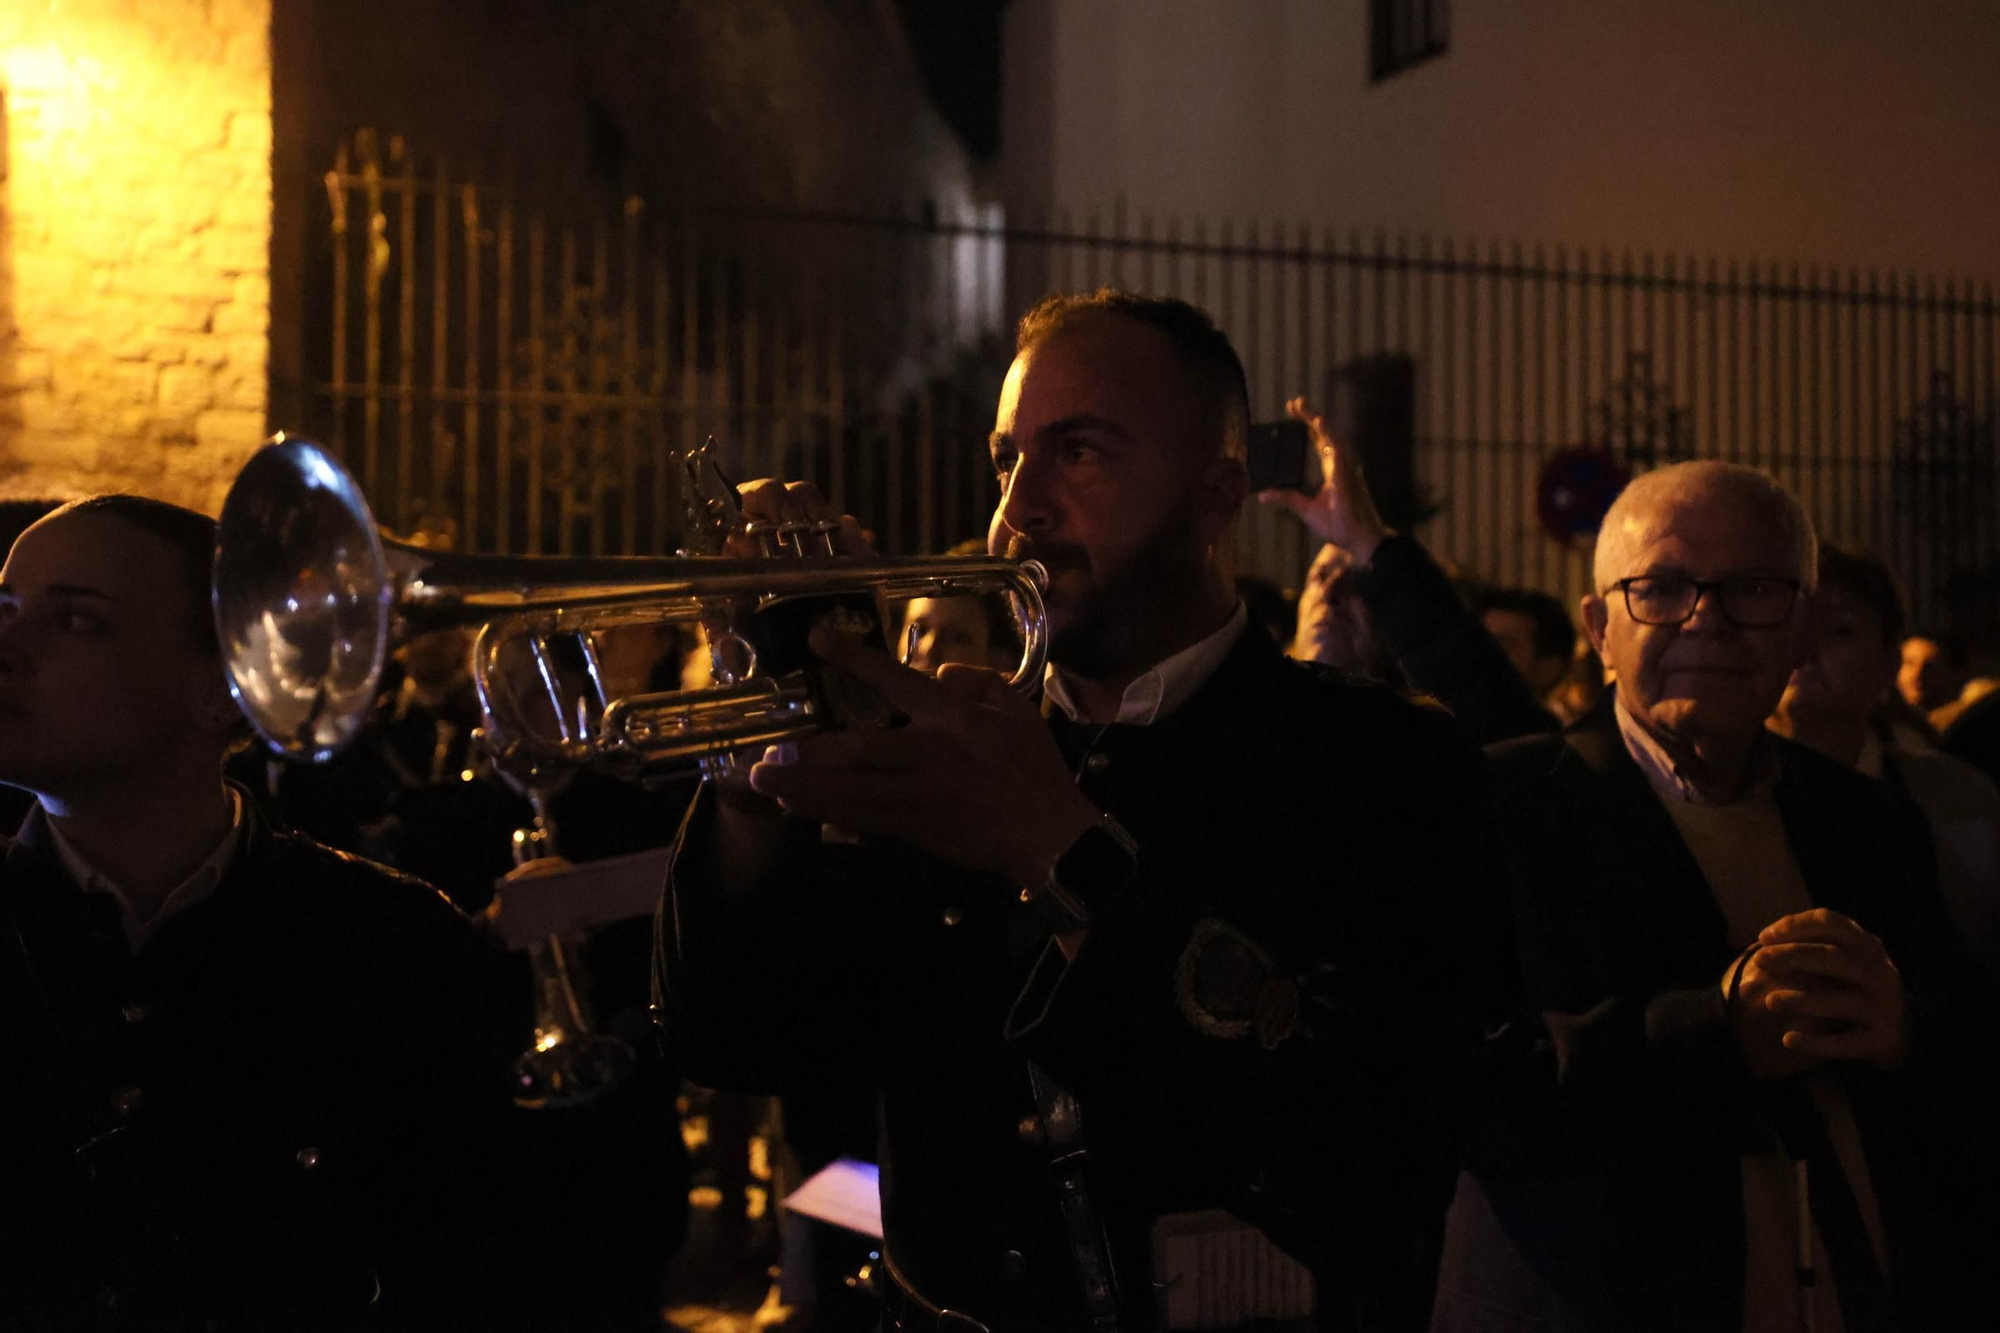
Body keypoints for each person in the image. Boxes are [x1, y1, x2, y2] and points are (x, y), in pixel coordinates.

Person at [655, 290, 1504, 1331]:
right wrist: (756, 786)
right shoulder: (938, 745)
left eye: (1080, 454)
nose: (1019, 510)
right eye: (1008, 460)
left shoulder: (1387, 763)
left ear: (1217, 498)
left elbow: (1372, 1170)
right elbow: (739, 1044)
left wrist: (1059, 850)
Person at [1431, 462, 1996, 1332]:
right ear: (1598, 626)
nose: (1709, 620)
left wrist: (1905, 1028)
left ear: (1802, 626)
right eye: (1659, 587)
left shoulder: (1867, 818)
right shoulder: (1501, 808)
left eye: (1755, 588)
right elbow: (1446, 1091)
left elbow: (1969, 1046)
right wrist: (1719, 1034)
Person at [0, 495, 525, 1329]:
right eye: (5, 609)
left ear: (221, 685)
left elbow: (465, 1271)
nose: (6, 648)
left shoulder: (392, 945)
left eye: (77, 621)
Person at [1262, 398, 1560, 745]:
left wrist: (1367, 542)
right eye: (1321, 577)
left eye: (1357, 585)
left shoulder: (1421, 747)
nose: (1332, 596)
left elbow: (1490, 716)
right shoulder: (1255, 723)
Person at [1775, 545, 2000, 974]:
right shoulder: (1710, 798)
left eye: (1838, 631)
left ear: (1887, 663)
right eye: (1788, 625)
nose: (1802, 649)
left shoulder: (1956, 801)